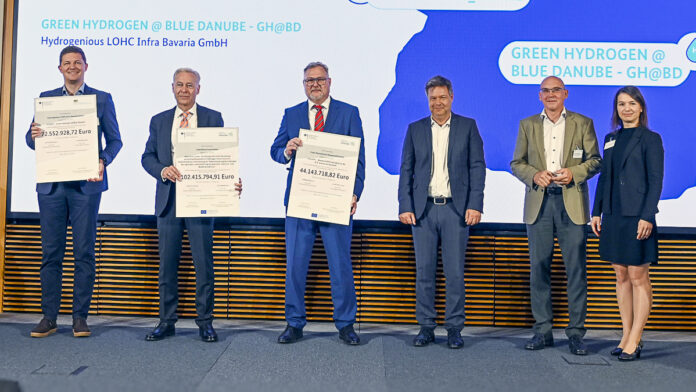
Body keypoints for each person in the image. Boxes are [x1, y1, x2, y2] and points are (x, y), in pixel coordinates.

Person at [26, 46, 122, 338]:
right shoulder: (46, 99)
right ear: (60, 69)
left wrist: (102, 159)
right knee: (51, 253)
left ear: (85, 66)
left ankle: (79, 317)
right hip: (52, 186)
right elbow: (32, 143)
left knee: (84, 252)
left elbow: (116, 141)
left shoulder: (101, 99)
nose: (72, 67)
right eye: (66, 63)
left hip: (86, 187)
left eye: (76, 63)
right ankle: (49, 317)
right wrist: (34, 135)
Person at [141, 67, 242, 342]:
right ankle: (166, 320)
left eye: (190, 85)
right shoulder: (159, 120)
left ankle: (205, 322)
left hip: (202, 200)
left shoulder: (212, 118)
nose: (184, 90)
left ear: (199, 89)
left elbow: (222, 157)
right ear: (172, 87)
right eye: (179, 85)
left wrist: (230, 181)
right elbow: (147, 157)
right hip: (169, 200)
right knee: (167, 264)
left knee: (203, 264)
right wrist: (163, 170)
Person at [270, 61, 365, 345]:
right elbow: (275, 150)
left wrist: (355, 193)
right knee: (295, 266)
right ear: (304, 85)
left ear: (329, 82)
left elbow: (358, 159)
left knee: (340, 266)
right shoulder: (292, 114)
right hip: (300, 201)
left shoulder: (349, 112)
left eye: (319, 80)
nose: (314, 84)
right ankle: (294, 323)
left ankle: (346, 324)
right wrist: (286, 150)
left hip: (336, 201)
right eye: (309, 80)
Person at [510, 76, 601, 355]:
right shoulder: (527, 124)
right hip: (539, 203)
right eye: (546, 91)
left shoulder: (582, 123)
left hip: (571, 202)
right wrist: (534, 175)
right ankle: (542, 331)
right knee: (539, 269)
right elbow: (516, 163)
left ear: (566, 94)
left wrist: (574, 173)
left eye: (556, 90)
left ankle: (575, 333)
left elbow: (596, 160)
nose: (551, 95)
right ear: (539, 96)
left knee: (576, 270)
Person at [397, 75, 485, 348]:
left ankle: (455, 328)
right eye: (433, 98)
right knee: (424, 272)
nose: (437, 103)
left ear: (451, 97)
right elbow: (406, 170)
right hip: (422, 212)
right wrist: (405, 205)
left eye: (442, 97)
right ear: (428, 100)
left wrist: (475, 204)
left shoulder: (468, 127)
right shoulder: (415, 129)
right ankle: (426, 327)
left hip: (455, 211)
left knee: (454, 272)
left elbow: (477, 168)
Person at [590, 86, 664, 361]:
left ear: (641, 108)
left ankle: (636, 337)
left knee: (637, 276)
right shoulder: (611, 138)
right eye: (622, 104)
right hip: (613, 215)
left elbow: (656, 180)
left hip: (637, 216)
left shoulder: (651, 139)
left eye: (632, 103)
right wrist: (596, 212)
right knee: (620, 275)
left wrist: (647, 215)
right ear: (616, 109)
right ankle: (625, 334)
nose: (627, 108)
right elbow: (604, 177)